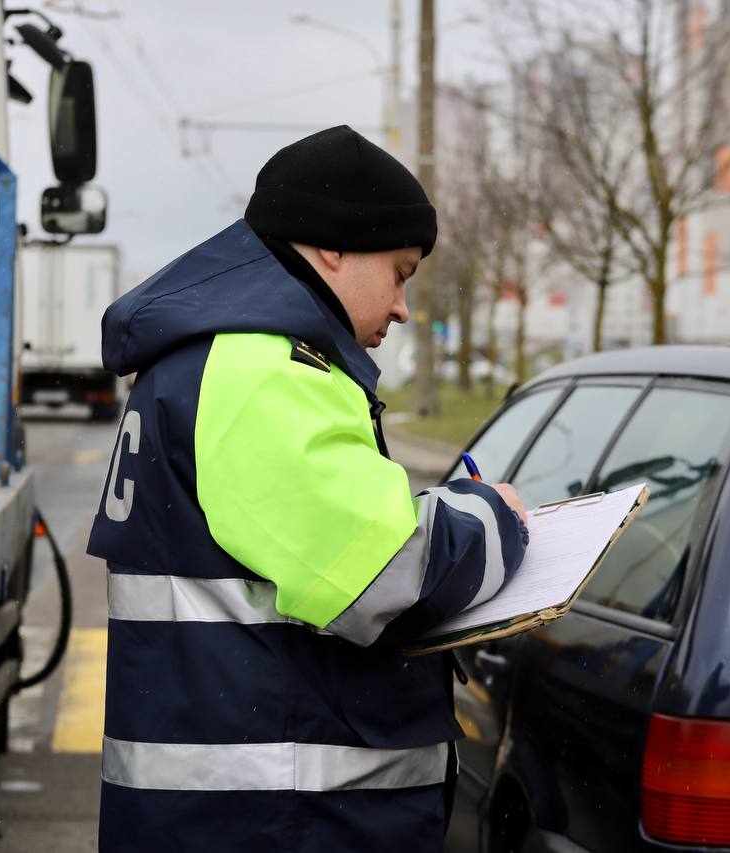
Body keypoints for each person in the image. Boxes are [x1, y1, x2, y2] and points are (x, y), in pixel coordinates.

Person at [87, 125, 529, 852]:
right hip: (278, 814)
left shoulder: (219, 357)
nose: (402, 308)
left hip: (233, 802)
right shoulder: (266, 370)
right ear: (334, 247)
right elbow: (384, 571)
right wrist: (495, 517)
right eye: (401, 272)